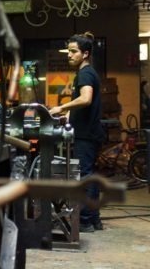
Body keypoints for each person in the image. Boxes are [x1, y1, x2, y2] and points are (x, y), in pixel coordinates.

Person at [49, 31, 105, 233]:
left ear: (86, 54)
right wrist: (69, 117)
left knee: (84, 176)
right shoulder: (86, 73)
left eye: (74, 52)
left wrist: (62, 108)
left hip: (87, 135)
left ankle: (85, 220)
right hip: (88, 132)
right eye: (68, 51)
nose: (69, 55)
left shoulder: (85, 73)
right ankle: (94, 219)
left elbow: (86, 99)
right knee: (89, 174)